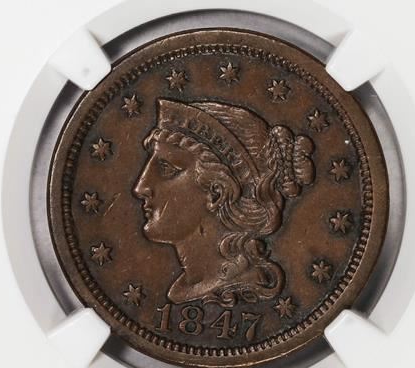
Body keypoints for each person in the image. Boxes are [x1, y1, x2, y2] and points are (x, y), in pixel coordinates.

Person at [133, 98, 314, 306]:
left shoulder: (244, 287)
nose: (140, 187)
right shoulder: (184, 288)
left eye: (166, 169)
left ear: (216, 193)